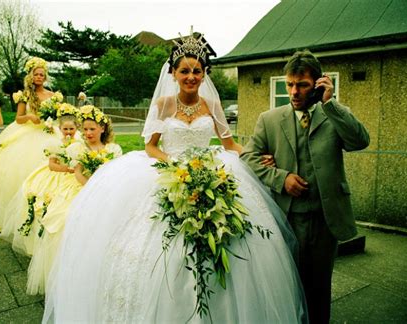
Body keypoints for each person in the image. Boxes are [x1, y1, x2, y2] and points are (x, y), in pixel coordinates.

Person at [43, 31, 307, 323]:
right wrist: (175, 166)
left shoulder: (212, 106)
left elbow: (229, 144)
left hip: (211, 169)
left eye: (197, 71)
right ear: (173, 73)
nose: (191, 76)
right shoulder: (164, 105)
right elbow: (151, 146)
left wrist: (253, 158)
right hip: (170, 172)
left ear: (204, 74)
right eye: (184, 71)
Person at [241, 49, 370, 324]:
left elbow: (360, 141)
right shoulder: (270, 119)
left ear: (317, 84)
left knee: (320, 288)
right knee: (288, 286)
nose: (294, 92)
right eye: (289, 84)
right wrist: (281, 177)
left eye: (302, 85)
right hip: (287, 218)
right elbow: (247, 158)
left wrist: (331, 104)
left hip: (325, 219)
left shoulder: (332, 115)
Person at [27, 105, 122, 295]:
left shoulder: (113, 148)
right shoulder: (77, 147)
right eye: (85, 129)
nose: (87, 133)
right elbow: (77, 172)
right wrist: (91, 188)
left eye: (92, 129)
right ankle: (67, 276)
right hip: (80, 185)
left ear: (102, 128)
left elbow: (115, 173)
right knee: (66, 219)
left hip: (105, 187)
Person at [0, 57, 62, 232]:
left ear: (45, 77)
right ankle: (16, 215)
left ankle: (49, 209)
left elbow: (59, 116)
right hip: (28, 133)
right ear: (31, 75)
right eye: (36, 74)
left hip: (48, 132)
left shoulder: (53, 96)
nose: (39, 77)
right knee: (16, 171)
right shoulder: (25, 95)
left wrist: (51, 122)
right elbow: (19, 118)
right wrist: (30, 117)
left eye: (42, 75)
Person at [0, 104, 81, 256]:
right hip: (59, 173)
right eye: (65, 129)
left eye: (71, 129)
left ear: (77, 128)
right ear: (60, 129)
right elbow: (52, 166)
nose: (68, 132)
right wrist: (67, 169)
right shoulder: (55, 143)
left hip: (74, 174)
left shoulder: (80, 143)